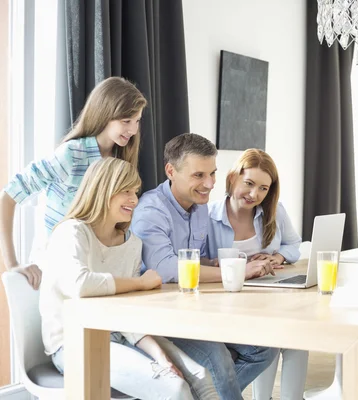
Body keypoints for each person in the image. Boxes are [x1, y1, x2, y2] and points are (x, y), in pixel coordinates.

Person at [39, 158, 218, 399]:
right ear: (102, 190)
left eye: (135, 191)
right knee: (174, 389)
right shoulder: (71, 232)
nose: (134, 199)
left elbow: (128, 318)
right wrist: (140, 283)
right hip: (75, 343)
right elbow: (80, 285)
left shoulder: (132, 243)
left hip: (123, 337)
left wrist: (160, 355)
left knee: (200, 376)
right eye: (125, 191)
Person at [132, 133, 279, 400]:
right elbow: (166, 269)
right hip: (159, 318)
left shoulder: (198, 208)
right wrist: (235, 272)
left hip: (193, 310)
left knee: (264, 348)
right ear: (171, 171)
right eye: (199, 175)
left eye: (212, 173)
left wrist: (226, 262)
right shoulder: (150, 211)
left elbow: (194, 260)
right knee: (218, 359)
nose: (210, 184)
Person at [0, 76, 147, 289]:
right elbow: (8, 195)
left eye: (137, 121)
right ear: (105, 114)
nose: (133, 130)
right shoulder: (71, 155)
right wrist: (11, 264)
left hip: (95, 268)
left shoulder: (120, 158)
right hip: (59, 271)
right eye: (126, 121)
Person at [207, 149, 308, 400]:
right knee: (274, 334)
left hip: (269, 296)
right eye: (249, 184)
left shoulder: (274, 212)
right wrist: (240, 265)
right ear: (232, 179)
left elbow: (294, 245)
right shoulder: (208, 217)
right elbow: (197, 261)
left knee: (299, 337)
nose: (255, 194)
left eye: (264, 188)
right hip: (229, 303)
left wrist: (277, 257)